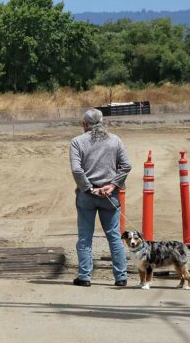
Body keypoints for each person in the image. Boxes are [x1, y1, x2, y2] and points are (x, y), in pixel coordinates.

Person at [70, 108, 132, 287]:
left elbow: (76, 169)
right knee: (114, 236)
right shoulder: (115, 140)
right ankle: (120, 276)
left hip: (87, 195)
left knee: (85, 237)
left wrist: (89, 189)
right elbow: (126, 165)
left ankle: (84, 276)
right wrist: (113, 185)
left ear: (84, 124)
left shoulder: (77, 142)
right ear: (103, 122)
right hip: (109, 195)